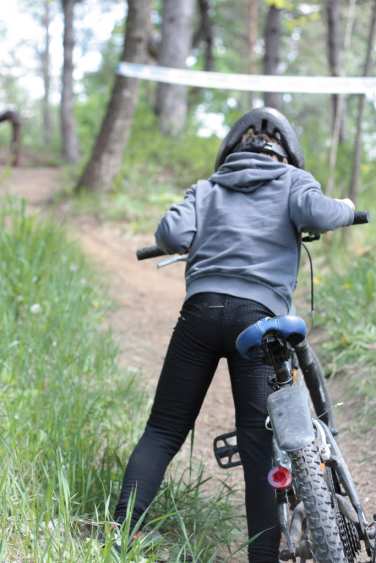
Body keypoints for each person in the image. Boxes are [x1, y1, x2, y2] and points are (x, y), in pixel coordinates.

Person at [113, 107, 355, 562]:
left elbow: (171, 232)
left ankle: (121, 531)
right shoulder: (292, 181)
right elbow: (317, 214)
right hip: (260, 321)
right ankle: (261, 557)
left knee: (163, 430)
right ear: (288, 153)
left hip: (200, 314)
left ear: (230, 150)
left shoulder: (207, 189)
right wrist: (343, 207)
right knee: (258, 443)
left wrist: (191, 239)